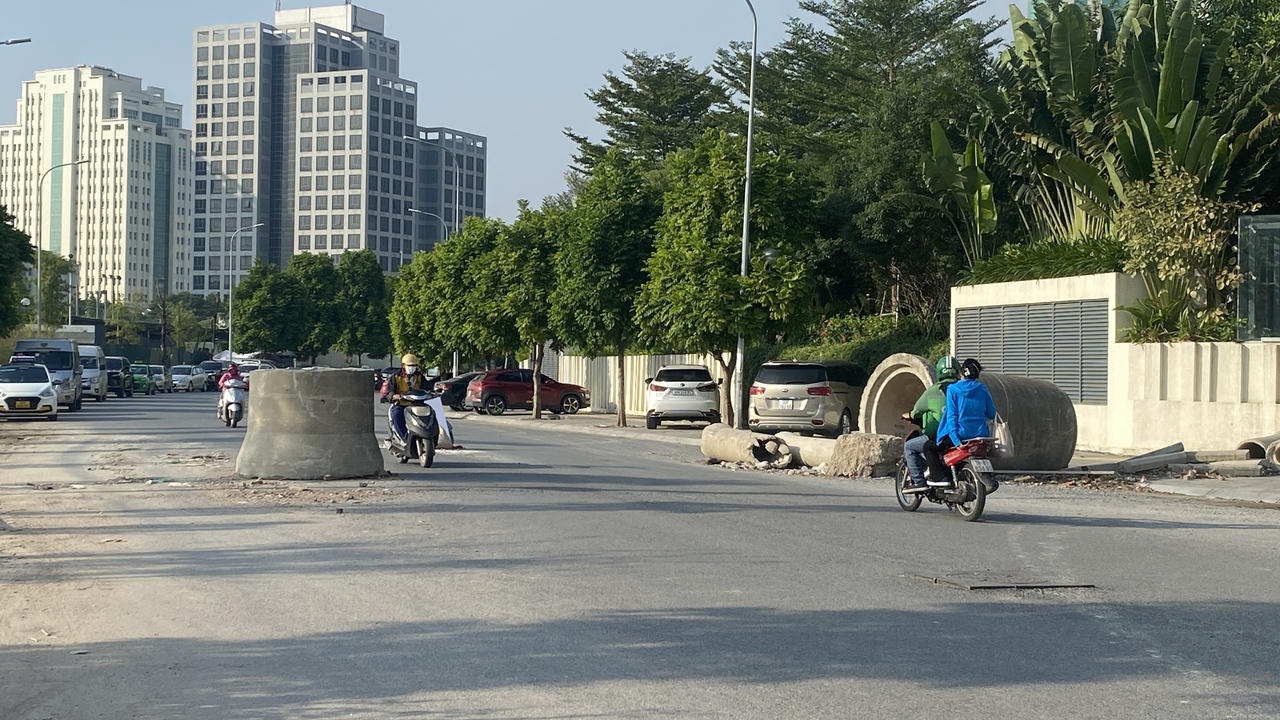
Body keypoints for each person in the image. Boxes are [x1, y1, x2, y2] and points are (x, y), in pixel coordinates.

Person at [928, 358, 998, 487]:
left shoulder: (953, 389)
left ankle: (940, 478)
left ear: (962, 373)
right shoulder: (982, 389)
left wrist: (956, 439)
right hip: (980, 435)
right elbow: (991, 413)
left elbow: (952, 416)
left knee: (928, 447)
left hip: (960, 434)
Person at [902, 356, 960, 493]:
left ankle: (919, 482)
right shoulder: (962, 388)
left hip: (942, 435)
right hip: (963, 433)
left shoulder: (934, 390)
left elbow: (916, 411)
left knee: (909, 446)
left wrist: (908, 415)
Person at [382, 353, 427, 443]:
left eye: (414, 365)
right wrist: (395, 396)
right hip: (401, 404)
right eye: (410, 365)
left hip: (417, 405)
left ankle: (428, 436)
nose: (412, 367)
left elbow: (427, 387)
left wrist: (433, 392)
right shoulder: (395, 376)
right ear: (403, 365)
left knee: (430, 413)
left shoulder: (419, 376)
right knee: (396, 413)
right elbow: (389, 391)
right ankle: (405, 439)